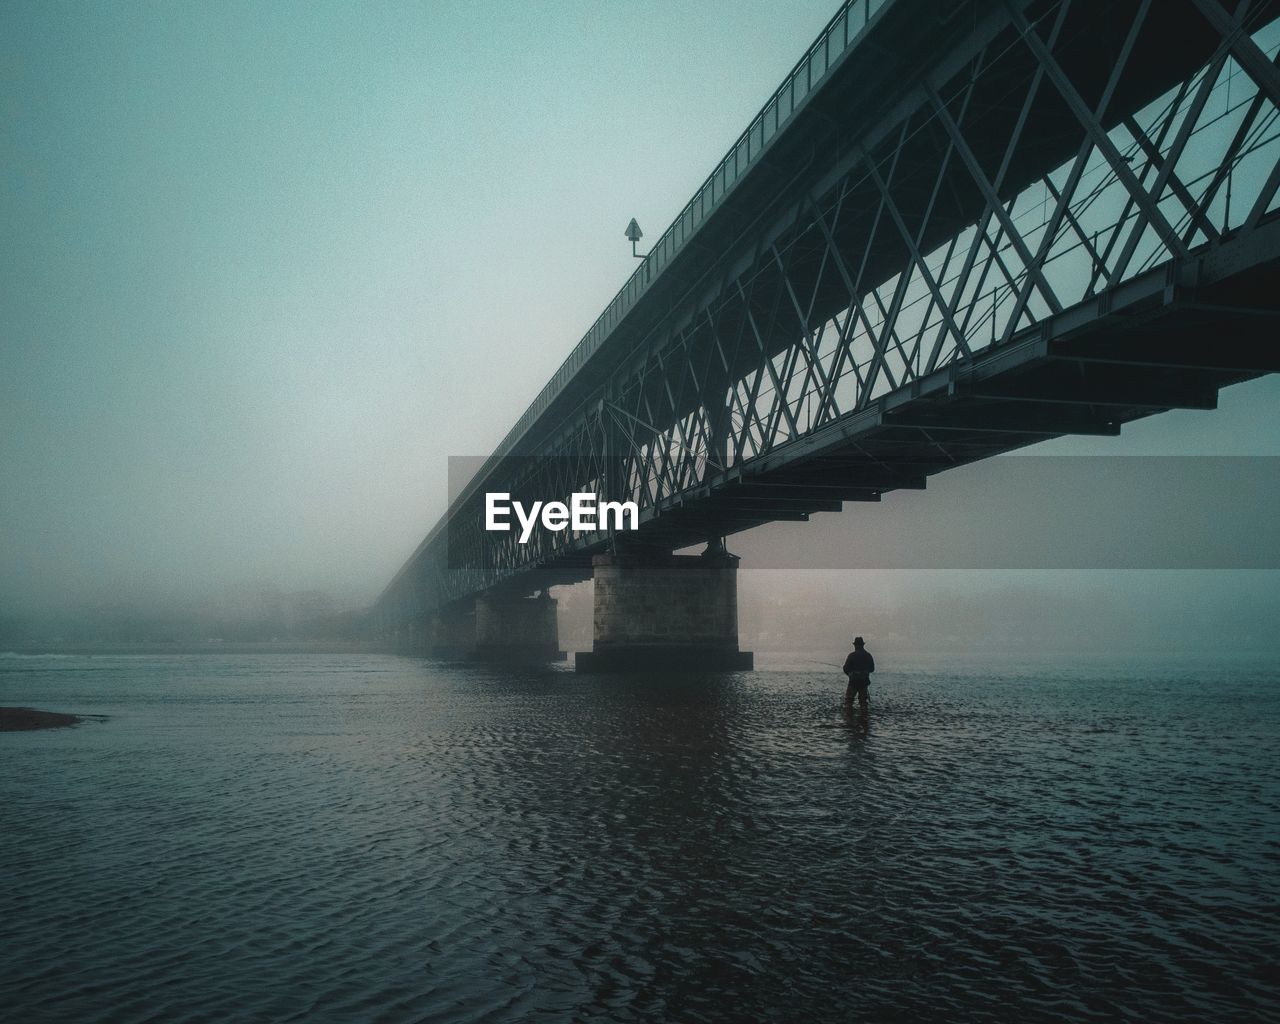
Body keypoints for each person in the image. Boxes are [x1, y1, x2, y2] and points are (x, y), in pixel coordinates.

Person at [843, 636, 875, 707]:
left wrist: (850, 674)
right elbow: (872, 669)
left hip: (853, 681)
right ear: (863, 645)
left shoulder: (851, 655)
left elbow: (845, 668)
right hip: (864, 681)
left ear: (855, 645)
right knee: (863, 702)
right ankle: (864, 716)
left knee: (849, 701)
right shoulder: (868, 655)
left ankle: (849, 716)